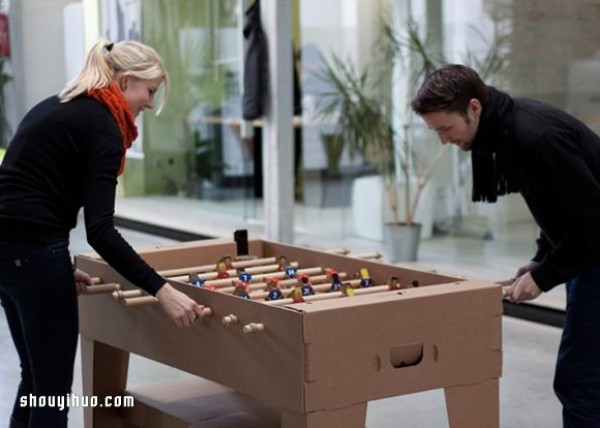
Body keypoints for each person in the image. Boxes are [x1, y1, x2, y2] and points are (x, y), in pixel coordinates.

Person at [0, 38, 207, 428]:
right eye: (149, 91)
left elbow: (24, 190)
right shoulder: (102, 126)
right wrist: (163, 291)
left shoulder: (62, 105)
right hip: (32, 252)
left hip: (10, 254)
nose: (149, 102)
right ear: (126, 81)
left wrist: (49, 267)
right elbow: (101, 231)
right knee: (51, 392)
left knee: (35, 380)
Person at [411, 63, 600, 427]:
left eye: (446, 129)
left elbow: (590, 221)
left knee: (581, 379)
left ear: (474, 108)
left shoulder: (535, 136)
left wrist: (545, 275)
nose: (444, 141)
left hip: (595, 248)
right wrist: (541, 257)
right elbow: (558, 207)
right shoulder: (507, 130)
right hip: (588, 248)